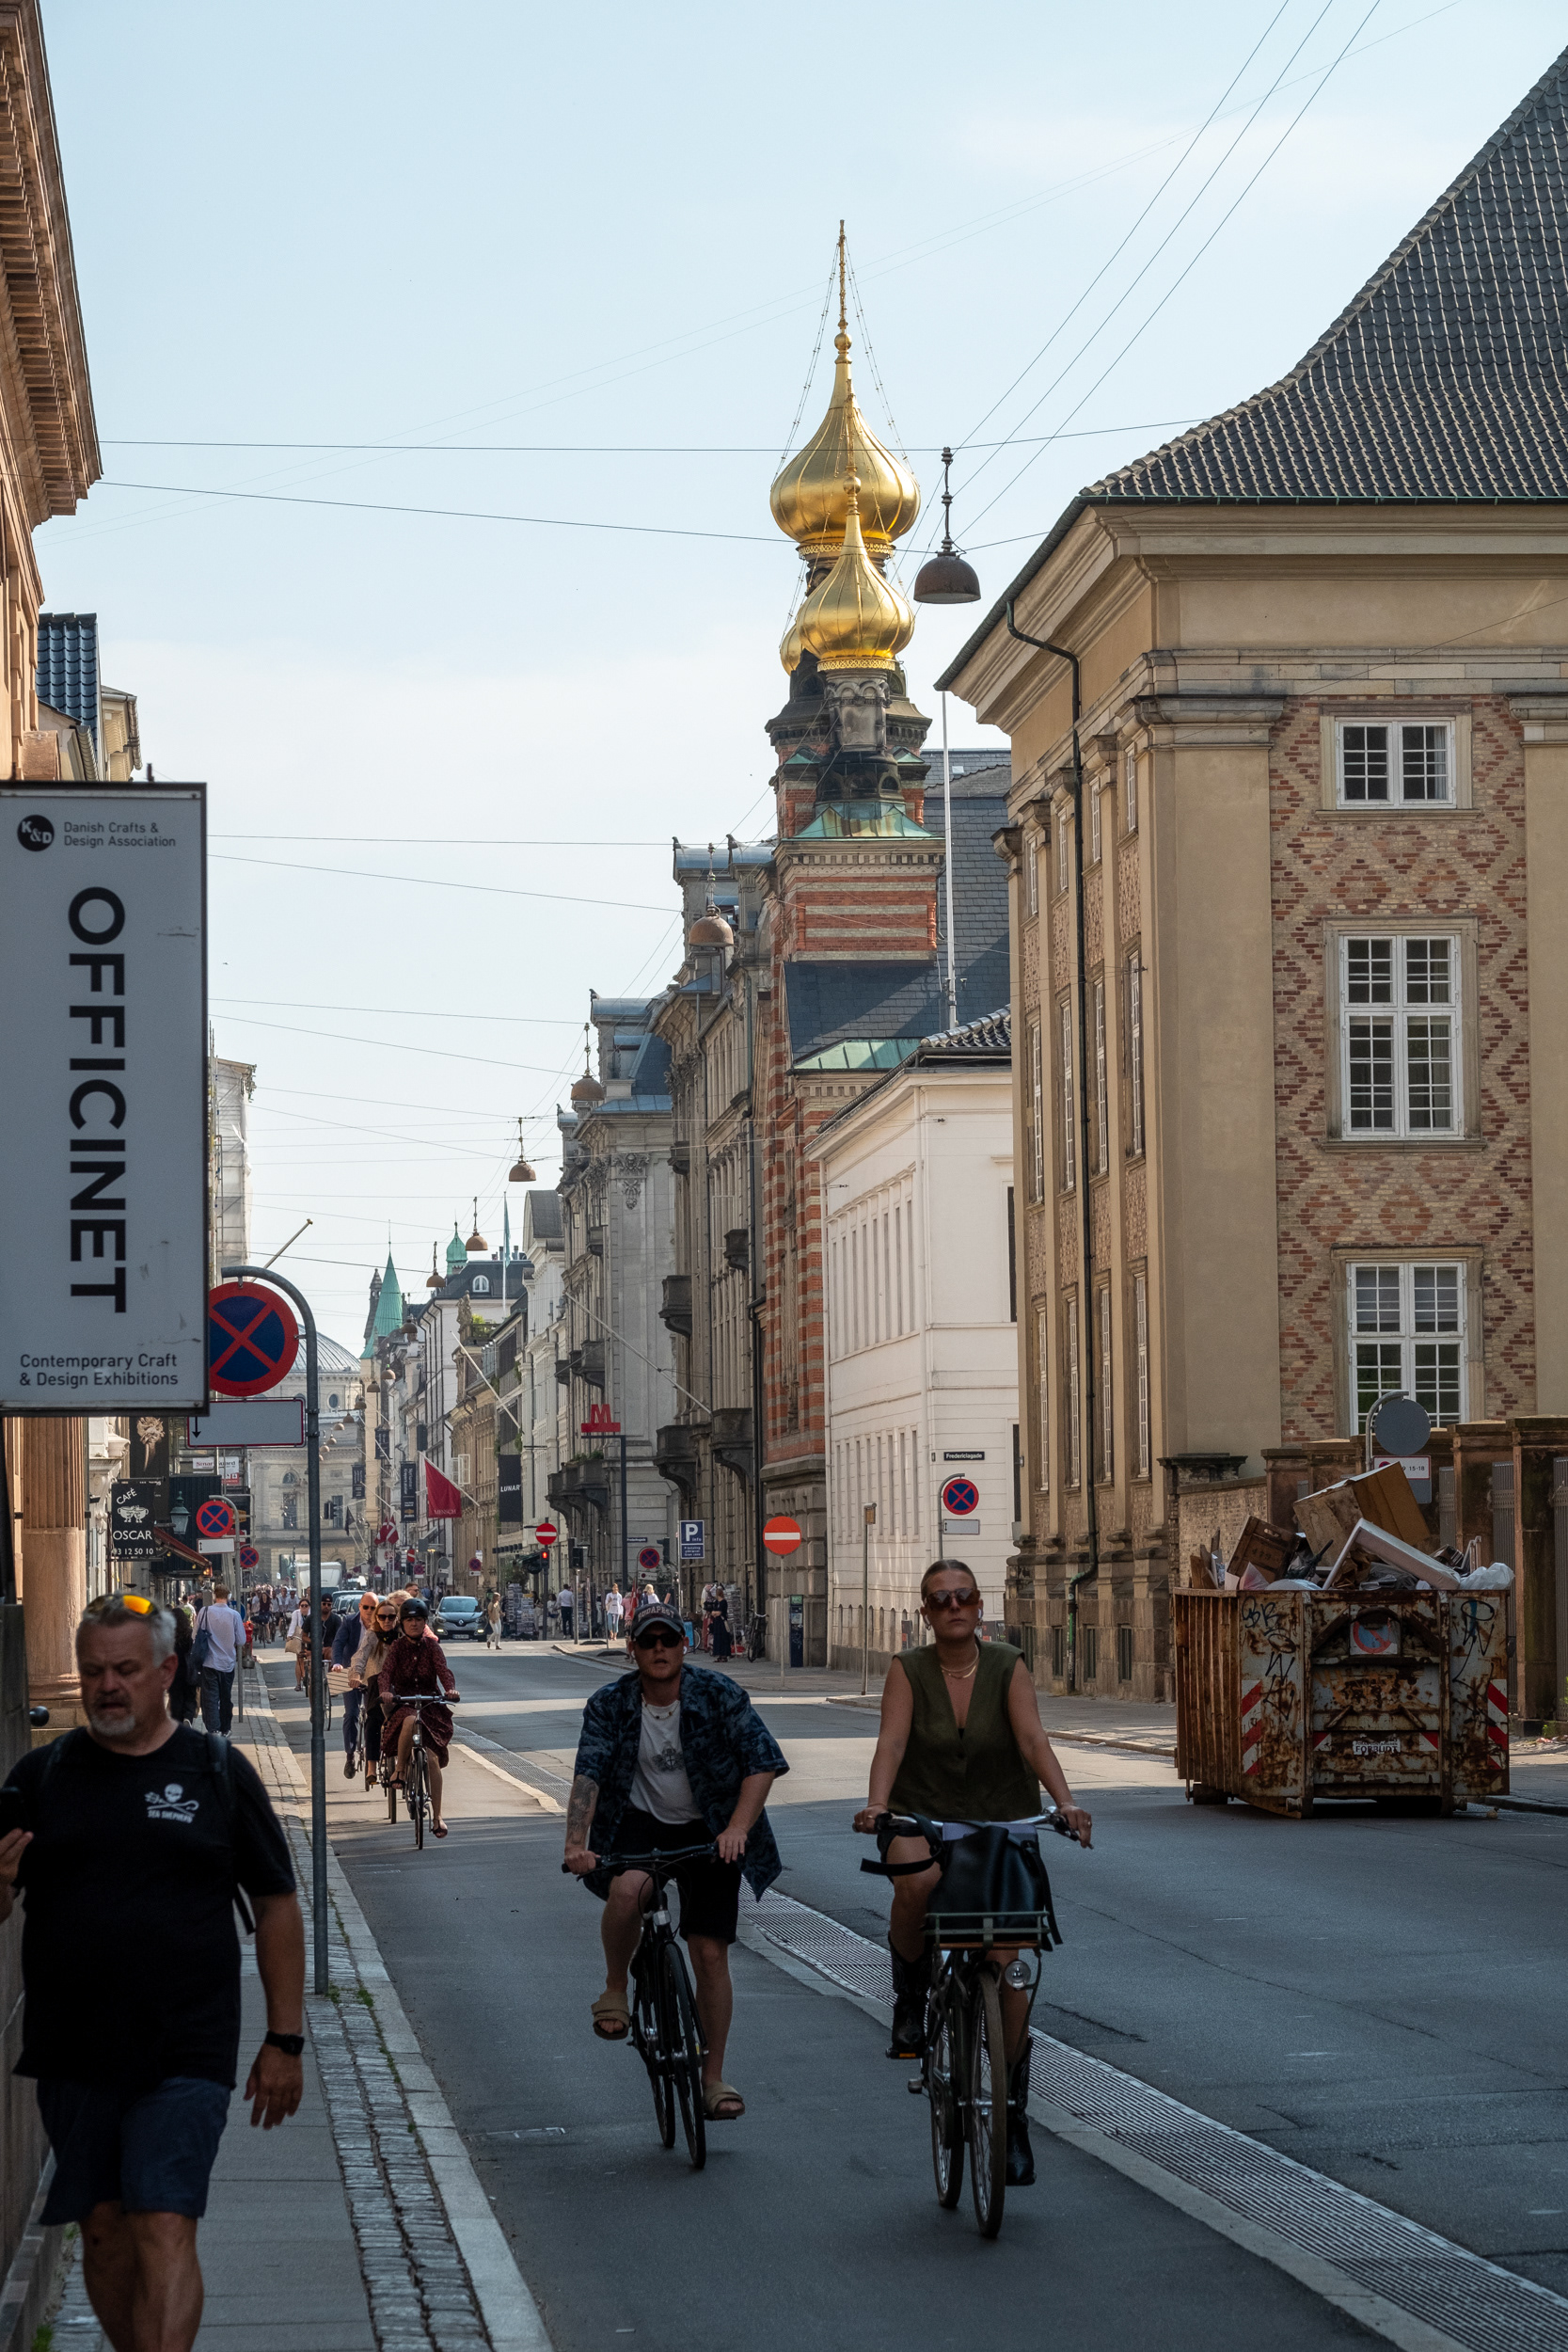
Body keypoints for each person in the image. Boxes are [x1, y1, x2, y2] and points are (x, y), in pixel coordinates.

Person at [0, 1594, 304, 2352]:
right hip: (74, 2046)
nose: (108, 1686)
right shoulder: (44, 1776)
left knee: (164, 2219)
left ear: (167, 1671)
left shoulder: (215, 1772)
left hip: (187, 2045)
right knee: (103, 2231)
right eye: (94, 1670)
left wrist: (284, 2040)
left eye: (126, 1670)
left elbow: (275, 1905)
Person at [852, 1559, 1093, 2189]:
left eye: (962, 1597)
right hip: (920, 1815)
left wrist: (1063, 1801)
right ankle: (909, 1998)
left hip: (1000, 1820)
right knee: (915, 1882)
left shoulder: (1007, 1665)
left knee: (1007, 1964)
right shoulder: (907, 1670)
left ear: (978, 1605)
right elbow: (892, 1743)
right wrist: (878, 1803)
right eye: (939, 1600)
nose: (952, 1607)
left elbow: (1033, 1738)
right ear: (925, 1613)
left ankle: (1010, 2114)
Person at [564, 1600, 787, 2122]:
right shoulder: (610, 1704)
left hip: (712, 1827)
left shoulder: (719, 1693)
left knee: (709, 1952)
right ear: (633, 1649)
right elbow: (588, 1776)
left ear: (685, 1645)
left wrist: (738, 1828)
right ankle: (616, 1988)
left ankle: (713, 2077)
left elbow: (762, 1762)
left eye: (668, 1639)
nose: (659, 1649)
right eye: (648, 1641)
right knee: (627, 1891)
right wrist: (576, 1843)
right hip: (639, 1822)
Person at [380, 1600, 459, 1838]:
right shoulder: (396, 1648)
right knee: (408, 1720)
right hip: (403, 1702)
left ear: (425, 1622)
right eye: (409, 1620)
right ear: (402, 1624)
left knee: (433, 1760)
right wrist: (385, 1691)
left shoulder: (433, 1647)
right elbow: (386, 1673)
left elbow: (443, 1671)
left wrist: (451, 1689)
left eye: (419, 1620)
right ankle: (401, 1771)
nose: (414, 1624)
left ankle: (437, 1817)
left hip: (430, 1705)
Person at [355, 1597, 403, 1791]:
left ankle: (403, 1766)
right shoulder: (372, 1635)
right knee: (373, 1719)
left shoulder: (402, 1635)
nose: (386, 1621)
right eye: (382, 1617)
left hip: (398, 1684)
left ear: (396, 1618)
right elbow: (361, 1655)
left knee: (404, 1719)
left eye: (391, 1617)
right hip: (375, 1682)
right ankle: (371, 1767)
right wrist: (356, 1675)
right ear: (377, 1618)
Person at [335, 1594, 379, 1780]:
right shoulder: (348, 1621)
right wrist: (337, 1663)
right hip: (349, 1671)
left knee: (376, 1715)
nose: (369, 1611)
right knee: (351, 1713)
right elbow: (338, 1643)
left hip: (374, 1673)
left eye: (373, 1607)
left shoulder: (382, 1622)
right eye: (366, 1607)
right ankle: (350, 1755)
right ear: (360, 1607)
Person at [194, 1585, 246, 1737]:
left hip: (209, 1662)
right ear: (228, 1596)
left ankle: (213, 1729)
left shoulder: (205, 1612)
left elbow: (194, 1635)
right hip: (228, 1663)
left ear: (214, 1596)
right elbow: (241, 1640)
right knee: (225, 1697)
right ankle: (225, 1728)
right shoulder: (234, 1615)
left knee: (210, 1697)